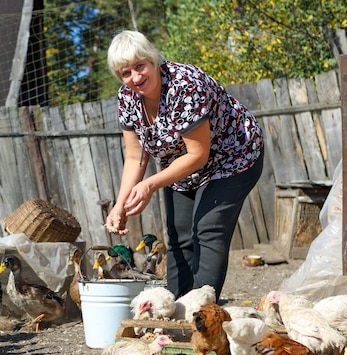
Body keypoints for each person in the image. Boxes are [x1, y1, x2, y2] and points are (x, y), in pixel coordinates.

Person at [104, 30, 264, 302]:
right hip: (182, 166)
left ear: (152, 60)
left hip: (232, 156)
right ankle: (176, 307)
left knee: (207, 228)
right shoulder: (127, 98)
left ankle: (201, 310)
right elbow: (134, 156)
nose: (135, 77)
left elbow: (199, 154)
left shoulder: (184, 85)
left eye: (140, 66)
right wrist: (120, 205)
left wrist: (150, 185)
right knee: (179, 235)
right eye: (125, 73)